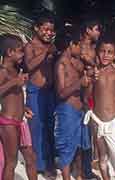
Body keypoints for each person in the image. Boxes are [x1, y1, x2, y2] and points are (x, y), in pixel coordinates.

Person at [84, 36, 115, 180]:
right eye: (102, 51)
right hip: (98, 121)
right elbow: (87, 97)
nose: (106, 55)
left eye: (110, 52)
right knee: (102, 158)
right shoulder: (94, 72)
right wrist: (91, 81)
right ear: (97, 52)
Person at [54, 31, 91, 180]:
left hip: (79, 110)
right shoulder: (61, 64)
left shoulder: (77, 62)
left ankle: (79, 176)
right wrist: (79, 83)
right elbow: (61, 93)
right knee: (66, 149)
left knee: (79, 146)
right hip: (67, 111)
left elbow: (85, 84)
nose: (82, 50)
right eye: (80, 46)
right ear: (71, 45)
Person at [0, 34, 37, 180]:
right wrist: (14, 82)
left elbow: (14, 97)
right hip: (8, 123)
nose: (23, 54)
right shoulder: (3, 71)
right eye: (20, 51)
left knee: (31, 158)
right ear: (10, 52)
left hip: (20, 121)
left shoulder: (16, 71)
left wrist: (24, 108)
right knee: (11, 162)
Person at [24, 14, 56, 177]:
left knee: (50, 127)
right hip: (35, 92)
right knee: (37, 128)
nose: (49, 33)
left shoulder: (52, 46)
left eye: (51, 30)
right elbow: (29, 66)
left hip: (50, 93)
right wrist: (45, 54)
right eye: (45, 29)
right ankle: (38, 166)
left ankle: (50, 162)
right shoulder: (30, 46)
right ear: (36, 28)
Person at [80, 20, 102, 179]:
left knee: (93, 130)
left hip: (94, 90)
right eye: (96, 29)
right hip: (82, 92)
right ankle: (82, 170)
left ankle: (89, 166)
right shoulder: (80, 46)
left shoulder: (93, 48)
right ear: (88, 30)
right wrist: (94, 65)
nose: (99, 32)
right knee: (83, 131)